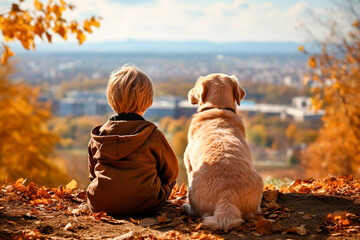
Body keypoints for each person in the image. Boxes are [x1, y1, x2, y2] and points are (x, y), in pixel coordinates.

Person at [86, 65, 179, 216]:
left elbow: (93, 174)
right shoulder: (153, 135)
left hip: (101, 204)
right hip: (147, 205)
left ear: (111, 99)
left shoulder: (99, 136)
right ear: (148, 100)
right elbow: (171, 172)